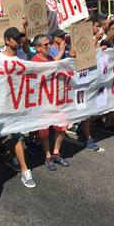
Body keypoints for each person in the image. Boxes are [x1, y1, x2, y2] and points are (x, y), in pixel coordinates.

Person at [0, 27, 36, 188]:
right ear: (7, 40)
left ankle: (10, 155)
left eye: (20, 38)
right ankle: (25, 171)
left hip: (21, 101)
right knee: (17, 134)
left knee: (15, 134)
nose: (19, 41)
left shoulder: (22, 56)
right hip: (6, 103)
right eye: (15, 39)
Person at [31, 34, 70, 171]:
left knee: (62, 126)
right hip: (42, 102)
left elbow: (53, 64)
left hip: (55, 99)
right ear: (37, 48)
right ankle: (48, 156)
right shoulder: (33, 62)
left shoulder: (49, 58)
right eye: (45, 45)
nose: (48, 46)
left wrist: (61, 51)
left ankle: (56, 153)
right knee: (44, 131)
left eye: (49, 44)